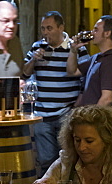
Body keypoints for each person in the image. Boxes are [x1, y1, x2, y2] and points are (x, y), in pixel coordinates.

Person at [23, 10, 88, 175]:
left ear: (61, 28)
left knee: (70, 158)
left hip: (65, 113)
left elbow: (86, 79)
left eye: (49, 28)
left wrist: (76, 107)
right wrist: (33, 60)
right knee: (46, 161)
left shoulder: (75, 49)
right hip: (42, 114)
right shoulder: (37, 47)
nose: (45, 33)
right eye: (43, 28)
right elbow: (24, 73)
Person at [66, 15, 112, 108]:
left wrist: (91, 119)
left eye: (96, 30)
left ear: (107, 33)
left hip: (98, 120)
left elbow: (107, 99)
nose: (92, 33)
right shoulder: (97, 58)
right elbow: (72, 71)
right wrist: (73, 50)